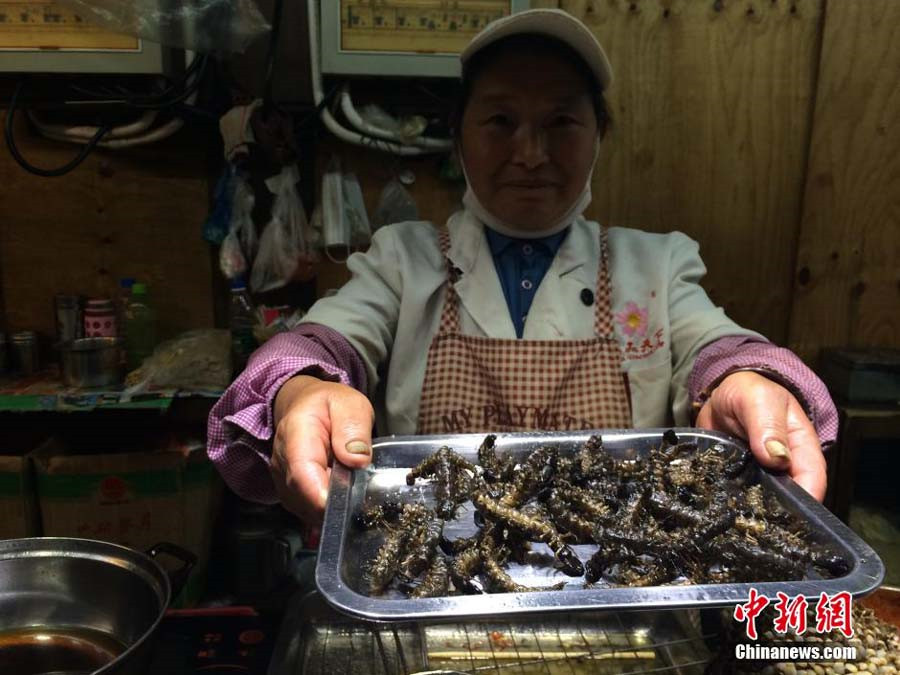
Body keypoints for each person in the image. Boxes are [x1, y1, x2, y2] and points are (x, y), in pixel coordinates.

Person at [208, 9, 836, 525]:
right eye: (501, 121)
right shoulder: (404, 259)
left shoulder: (659, 263)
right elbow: (325, 339)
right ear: (460, 136)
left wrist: (744, 379)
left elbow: (716, 346)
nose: (530, 154)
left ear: (598, 137)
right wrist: (302, 388)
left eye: (561, 122)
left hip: (622, 584)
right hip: (431, 579)